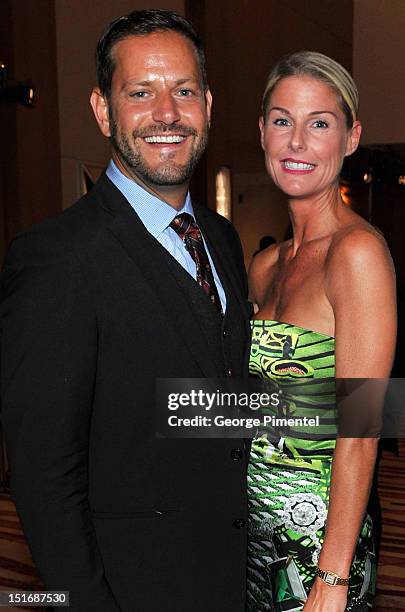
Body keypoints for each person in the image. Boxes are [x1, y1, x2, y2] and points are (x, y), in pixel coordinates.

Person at [0, 11, 250, 612]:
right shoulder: (55, 258)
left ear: (208, 105)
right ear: (102, 109)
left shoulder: (220, 238)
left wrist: (365, 407)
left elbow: (211, 405)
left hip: (237, 574)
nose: (167, 112)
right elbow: (44, 481)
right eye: (141, 92)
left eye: (184, 90)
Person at [246, 51, 396, 611]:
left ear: (351, 137)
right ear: (262, 133)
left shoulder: (357, 254)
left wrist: (331, 580)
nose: (297, 142)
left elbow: (360, 429)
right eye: (282, 120)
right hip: (253, 534)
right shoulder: (265, 266)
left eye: (320, 123)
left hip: (320, 544)